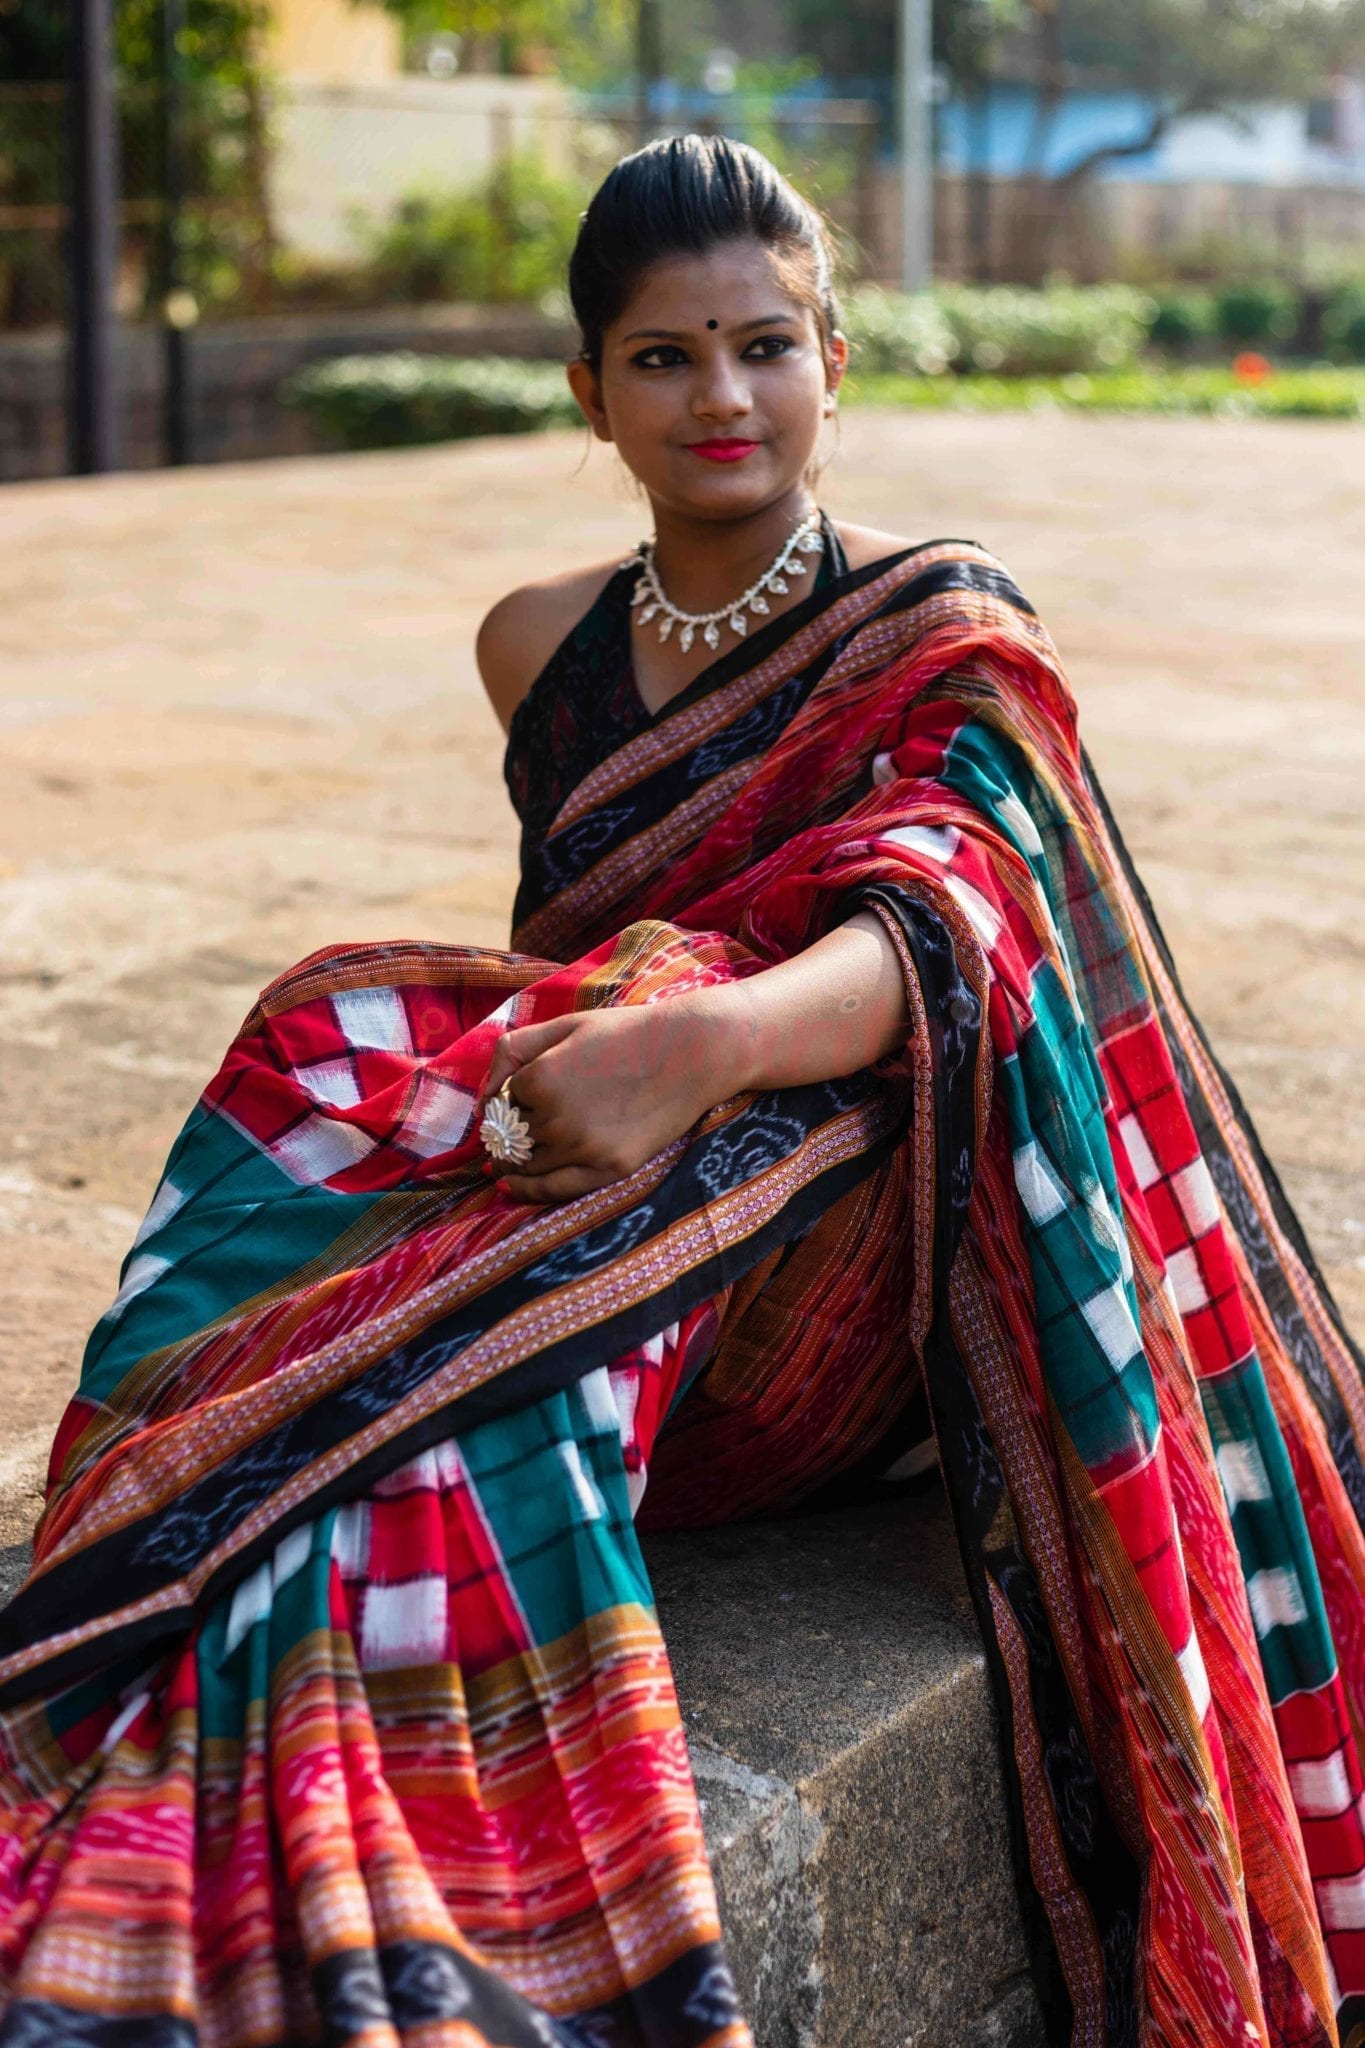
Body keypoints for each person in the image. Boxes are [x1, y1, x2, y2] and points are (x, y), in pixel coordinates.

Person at [0, 133, 1362, 2048]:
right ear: (588, 392)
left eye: (764, 345)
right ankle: (286, 1470)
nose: (721, 397)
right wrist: (598, 1060)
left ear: (831, 363)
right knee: (333, 1029)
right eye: (662, 358)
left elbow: (954, 917)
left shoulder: (941, 626)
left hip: (846, 1268)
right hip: (646, 1216)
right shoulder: (533, 645)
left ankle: (426, 1416)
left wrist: (696, 1042)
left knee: (676, 977)